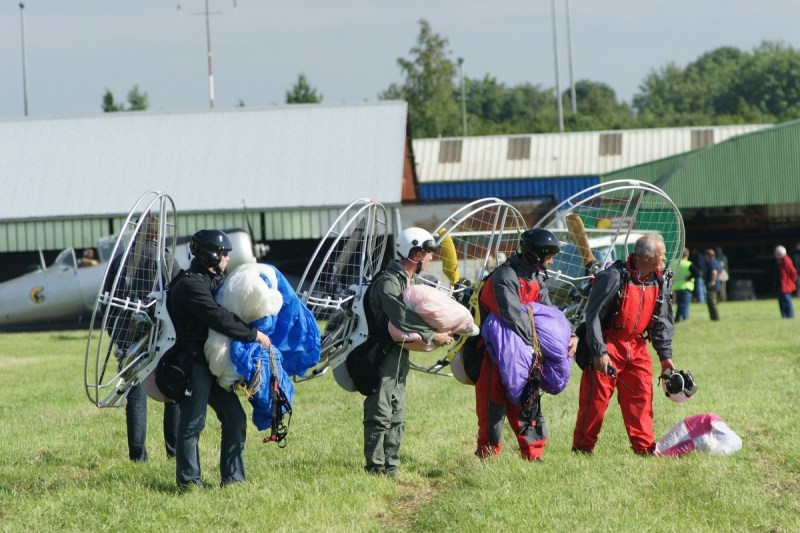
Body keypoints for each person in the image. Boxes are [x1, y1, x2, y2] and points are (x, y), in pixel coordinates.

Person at [166, 229, 271, 489]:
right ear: (211, 255)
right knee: (193, 423)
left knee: (235, 417)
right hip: (192, 363)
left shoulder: (210, 281)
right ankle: (189, 482)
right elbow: (216, 316)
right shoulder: (190, 284)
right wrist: (252, 334)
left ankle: (234, 479)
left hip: (213, 362)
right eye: (224, 254)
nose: (226, 259)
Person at [473, 228, 578, 462]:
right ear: (535, 254)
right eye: (548, 255)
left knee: (528, 402)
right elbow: (512, 317)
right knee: (494, 408)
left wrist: (569, 334)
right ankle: (487, 456)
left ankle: (533, 455)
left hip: (529, 353)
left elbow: (551, 314)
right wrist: (543, 343)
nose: (551, 261)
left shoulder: (537, 276)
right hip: (495, 354)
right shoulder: (504, 277)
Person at [572, 234, 676, 455]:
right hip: (609, 344)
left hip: (637, 347)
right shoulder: (612, 277)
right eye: (662, 254)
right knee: (595, 401)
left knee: (642, 397)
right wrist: (599, 352)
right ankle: (582, 449)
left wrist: (665, 357)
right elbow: (594, 316)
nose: (665, 258)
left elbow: (663, 321)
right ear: (646, 257)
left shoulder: (659, 280)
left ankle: (645, 449)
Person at [362, 227, 453, 478]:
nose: (431, 258)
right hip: (380, 355)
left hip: (398, 354)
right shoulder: (388, 282)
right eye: (427, 253)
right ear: (416, 253)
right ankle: (375, 468)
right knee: (380, 410)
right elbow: (400, 316)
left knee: (397, 411)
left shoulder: (407, 280)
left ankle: (391, 466)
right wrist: (432, 335)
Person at [105, 216, 181, 462]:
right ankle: (175, 451)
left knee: (135, 394)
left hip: (129, 334)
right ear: (158, 235)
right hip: (162, 334)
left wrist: (115, 333)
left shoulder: (121, 260)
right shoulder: (167, 260)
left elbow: (109, 299)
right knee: (173, 393)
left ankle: (138, 456)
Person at [673, 247, 698, 323]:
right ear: (687, 255)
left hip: (676, 287)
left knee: (679, 304)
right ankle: (684, 318)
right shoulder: (688, 264)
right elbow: (697, 273)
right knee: (684, 304)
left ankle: (678, 318)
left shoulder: (674, 264)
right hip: (686, 286)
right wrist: (689, 278)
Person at [774, 245, 797, 319]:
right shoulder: (779, 261)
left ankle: (790, 316)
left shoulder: (786, 260)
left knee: (787, 301)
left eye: (777, 253)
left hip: (786, 285)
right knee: (781, 301)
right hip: (780, 285)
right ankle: (784, 316)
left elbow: (793, 272)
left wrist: (791, 282)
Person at [704, 248, 721, 321]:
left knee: (711, 302)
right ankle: (713, 317)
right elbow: (720, 272)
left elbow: (714, 272)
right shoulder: (716, 262)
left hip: (712, 286)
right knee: (713, 302)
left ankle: (715, 317)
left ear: (708, 256)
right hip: (716, 285)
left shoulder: (712, 263)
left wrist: (712, 281)